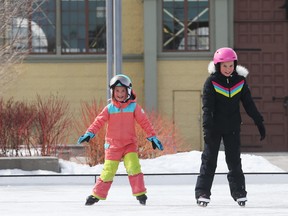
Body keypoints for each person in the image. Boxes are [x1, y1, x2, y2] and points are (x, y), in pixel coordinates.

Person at [77, 74, 164, 206]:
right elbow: (98, 121)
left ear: (128, 91)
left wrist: (152, 136)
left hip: (129, 144)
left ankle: (140, 193)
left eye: (123, 90)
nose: (120, 93)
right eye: (117, 91)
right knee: (108, 170)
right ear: (112, 92)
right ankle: (97, 195)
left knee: (133, 166)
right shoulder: (109, 108)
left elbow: (145, 122)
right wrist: (90, 133)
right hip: (112, 145)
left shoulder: (134, 107)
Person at [195, 47, 266, 207]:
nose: (228, 69)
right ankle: (202, 192)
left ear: (235, 65)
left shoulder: (240, 82)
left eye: (231, 65)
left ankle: (239, 191)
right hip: (214, 128)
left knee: (234, 160)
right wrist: (207, 128)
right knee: (209, 159)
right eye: (224, 66)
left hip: (233, 127)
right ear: (218, 65)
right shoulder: (211, 82)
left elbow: (248, 103)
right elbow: (208, 108)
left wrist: (259, 121)